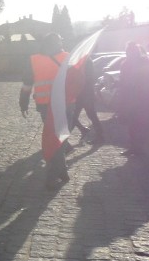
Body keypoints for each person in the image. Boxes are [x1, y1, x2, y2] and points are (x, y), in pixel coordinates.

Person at [19, 32, 70, 190]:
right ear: (59, 42)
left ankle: (62, 171)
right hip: (65, 104)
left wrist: (23, 103)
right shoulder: (68, 57)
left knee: (57, 138)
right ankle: (52, 176)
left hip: (45, 105)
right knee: (58, 139)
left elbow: (27, 85)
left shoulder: (34, 59)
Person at [119, 42, 149, 156]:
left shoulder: (141, 62)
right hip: (135, 99)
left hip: (138, 99)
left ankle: (138, 147)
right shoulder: (127, 63)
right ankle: (135, 147)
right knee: (135, 125)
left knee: (137, 125)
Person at [71, 56, 105, 145]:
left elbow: (87, 78)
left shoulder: (84, 61)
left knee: (74, 116)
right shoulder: (85, 60)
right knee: (75, 116)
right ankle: (95, 134)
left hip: (83, 94)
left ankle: (98, 135)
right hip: (84, 93)